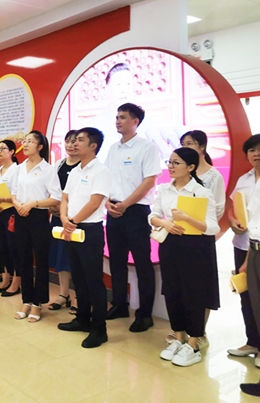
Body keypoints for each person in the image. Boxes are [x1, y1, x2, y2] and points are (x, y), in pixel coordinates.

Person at [149, 147, 219, 367]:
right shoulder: (164, 188)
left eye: (176, 163)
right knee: (172, 291)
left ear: (190, 167)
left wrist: (188, 218)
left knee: (194, 294)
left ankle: (193, 343)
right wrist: (164, 222)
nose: (170, 166)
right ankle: (178, 338)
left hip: (195, 248)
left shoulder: (201, 192)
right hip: (170, 245)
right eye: (169, 162)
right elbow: (153, 216)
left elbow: (212, 227)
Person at [105, 103, 161, 332]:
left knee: (142, 264)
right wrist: (107, 202)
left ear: (135, 121)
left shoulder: (147, 147)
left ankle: (145, 315)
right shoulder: (113, 148)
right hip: (113, 211)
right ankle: (119, 304)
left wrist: (125, 204)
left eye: (123, 117)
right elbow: (106, 178)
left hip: (136, 212)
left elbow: (149, 181)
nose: (118, 121)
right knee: (116, 261)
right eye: (117, 117)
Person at [57, 127, 112, 348]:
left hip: (89, 231)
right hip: (71, 228)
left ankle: (99, 329)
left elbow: (95, 202)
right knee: (78, 277)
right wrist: (64, 218)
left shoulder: (101, 171)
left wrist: (73, 221)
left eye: (80, 140)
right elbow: (65, 198)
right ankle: (82, 319)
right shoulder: (75, 170)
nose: (75, 143)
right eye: (74, 140)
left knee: (93, 281)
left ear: (93, 146)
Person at [179, 130, 226, 348]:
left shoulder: (214, 176)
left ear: (202, 147)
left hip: (201, 237)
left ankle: (200, 332)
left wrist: (199, 223)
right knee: (183, 286)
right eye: (183, 144)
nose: (185, 147)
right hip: (179, 236)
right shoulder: (181, 173)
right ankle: (183, 330)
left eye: (190, 144)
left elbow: (218, 209)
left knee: (201, 287)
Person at [11, 131, 62, 323]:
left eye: (30, 141)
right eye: (24, 141)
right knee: (23, 259)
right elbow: (13, 192)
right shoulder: (19, 168)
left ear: (40, 147)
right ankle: (26, 300)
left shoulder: (47, 169)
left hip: (38, 216)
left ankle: (37, 303)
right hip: (20, 214)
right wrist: (17, 204)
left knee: (40, 260)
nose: (25, 144)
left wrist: (33, 204)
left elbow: (56, 197)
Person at [227, 135, 260, 360]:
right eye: (252, 150)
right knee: (246, 295)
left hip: (257, 247)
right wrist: (231, 220)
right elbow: (233, 207)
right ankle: (252, 342)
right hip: (242, 244)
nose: (256, 154)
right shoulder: (244, 179)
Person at [48, 130, 80, 312]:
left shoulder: (85, 166)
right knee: (60, 256)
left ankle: (79, 297)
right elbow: (52, 189)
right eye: (68, 141)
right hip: (57, 217)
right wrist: (53, 206)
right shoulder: (59, 164)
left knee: (75, 258)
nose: (70, 145)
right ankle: (63, 294)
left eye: (75, 141)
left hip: (76, 219)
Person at [239, 136, 260, 396]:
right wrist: (246, 259)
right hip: (254, 250)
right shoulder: (250, 181)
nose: (257, 154)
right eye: (253, 150)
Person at [0, 140, 20, 294]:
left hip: (12, 212)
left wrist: (2, 200)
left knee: (14, 246)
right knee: (1, 246)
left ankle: (16, 282)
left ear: (12, 151)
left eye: (2, 149)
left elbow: (19, 194)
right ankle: (5, 279)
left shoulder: (17, 170)